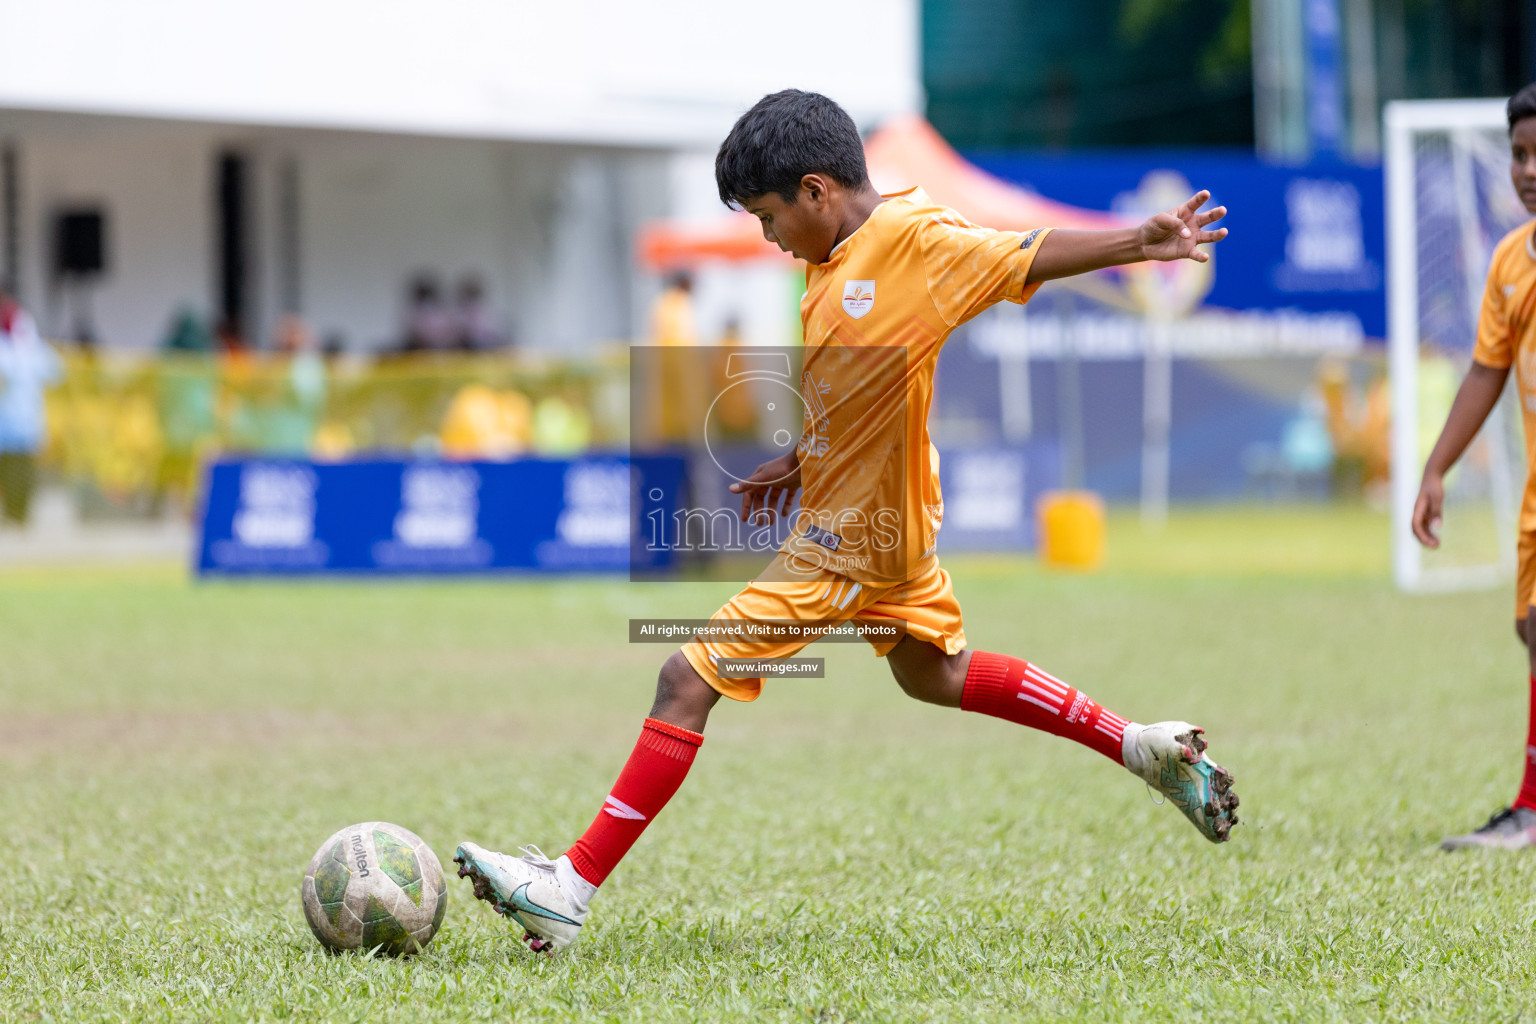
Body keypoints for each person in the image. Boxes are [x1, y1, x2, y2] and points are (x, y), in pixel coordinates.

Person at [454, 90, 1238, 953]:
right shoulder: (831, 257)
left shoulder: (919, 244)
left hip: (853, 540)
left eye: (768, 217)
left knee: (686, 677)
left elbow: (1023, 252)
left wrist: (1140, 242)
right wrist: (799, 462)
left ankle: (566, 889)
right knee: (934, 676)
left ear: (818, 190)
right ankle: (1139, 746)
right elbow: (856, 378)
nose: (767, 237)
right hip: (873, 521)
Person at [1413, 82, 1536, 851]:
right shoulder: (1510, 261)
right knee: (1530, 628)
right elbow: (1487, 372)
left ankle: (1529, 808)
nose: (1529, 169)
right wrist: (1436, 469)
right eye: (1520, 154)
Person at [0, 285, 62, 525]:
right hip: (14, 421)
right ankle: (16, 514)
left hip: (20, 420)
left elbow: (53, 370)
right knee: (13, 471)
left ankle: (19, 515)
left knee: (20, 472)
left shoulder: (24, 338)